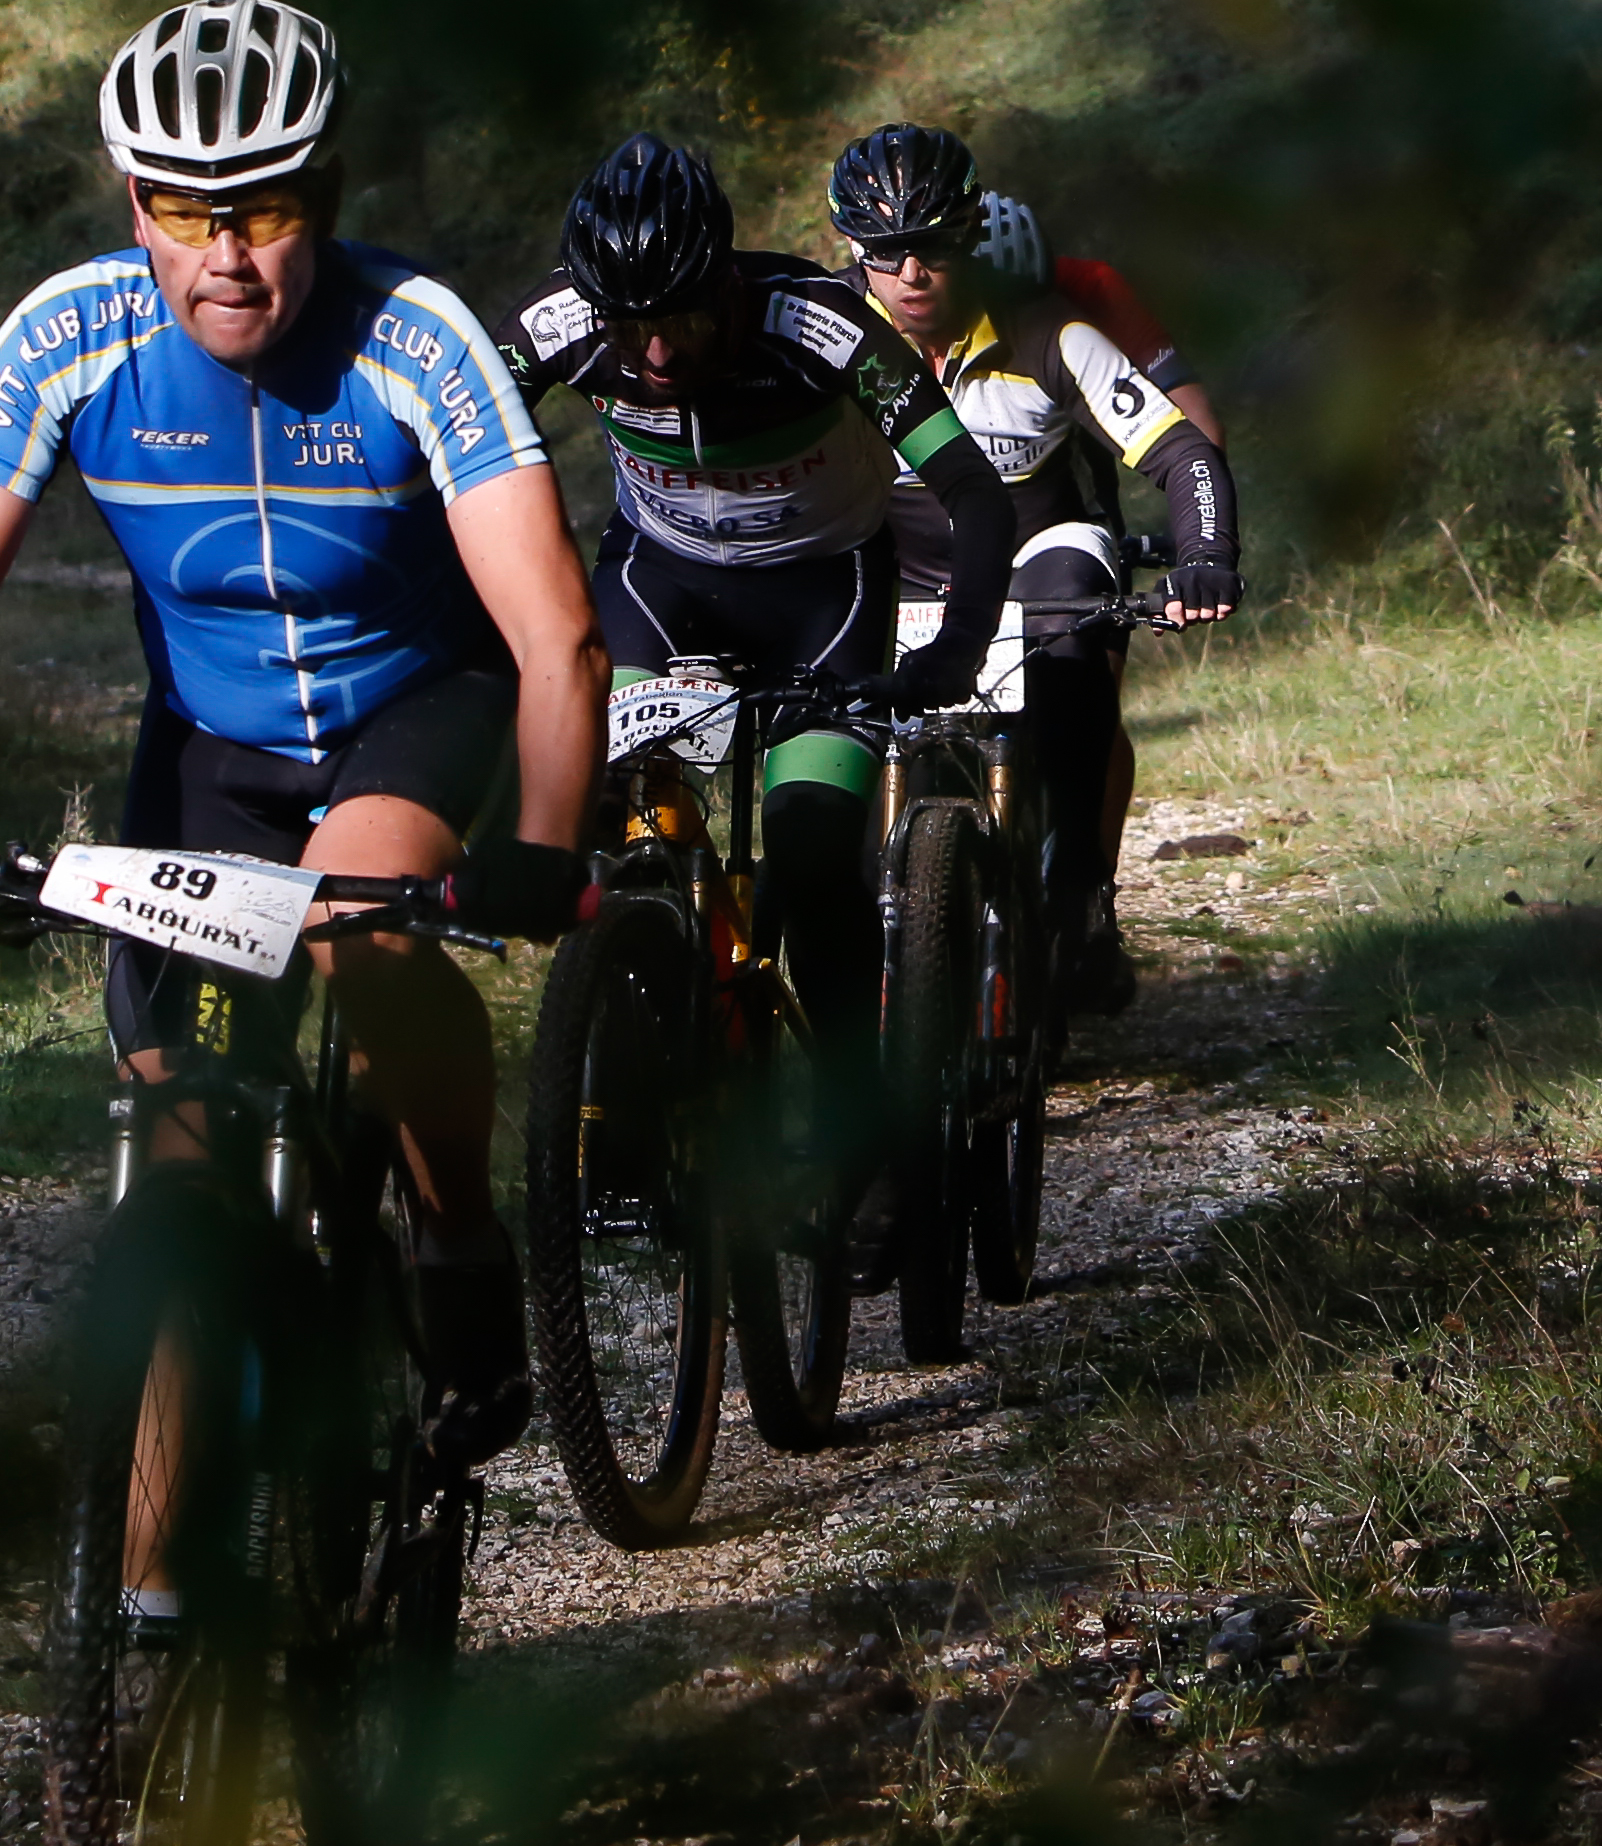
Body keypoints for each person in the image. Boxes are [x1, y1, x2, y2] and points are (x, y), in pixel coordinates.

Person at [0, 0, 608, 1467]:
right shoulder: (69, 337)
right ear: (129, 203)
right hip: (212, 739)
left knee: (352, 929)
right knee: (177, 1137)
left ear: (322, 195)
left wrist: (541, 846)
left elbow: (554, 635)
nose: (224, 256)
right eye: (180, 210)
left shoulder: (416, 335)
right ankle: (154, 1584)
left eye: (261, 211)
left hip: (414, 701)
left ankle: (459, 1241)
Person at [493, 133, 1013, 1246]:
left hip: (821, 595)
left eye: (682, 316)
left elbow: (974, 492)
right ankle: (634, 1083)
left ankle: (865, 1135)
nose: (656, 349)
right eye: (627, 325)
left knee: (813, 846)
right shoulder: (558, 322)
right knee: (618, 822)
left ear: (726, 281)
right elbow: (442, 462)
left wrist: (959, 647)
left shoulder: (820, 325)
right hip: (658, 585)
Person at [828, 129, 1243, 1017]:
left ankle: (1079, 881)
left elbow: (1185, 454)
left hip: (1037, 547)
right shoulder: (827, 334)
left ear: (969, 235)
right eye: (886, 252)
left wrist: (1207, 557)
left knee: (1069, 630)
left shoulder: (1050, 329)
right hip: (897, 563)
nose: (911, 274)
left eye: (933, 246)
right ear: (851, 250)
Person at [975, 191, 1230, 885]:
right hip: (945, 532)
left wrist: (1198, 529)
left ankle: (1092, 889)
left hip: (1070, 514)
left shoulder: (1090, 291)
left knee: (1090, 693)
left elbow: (1195, 424)